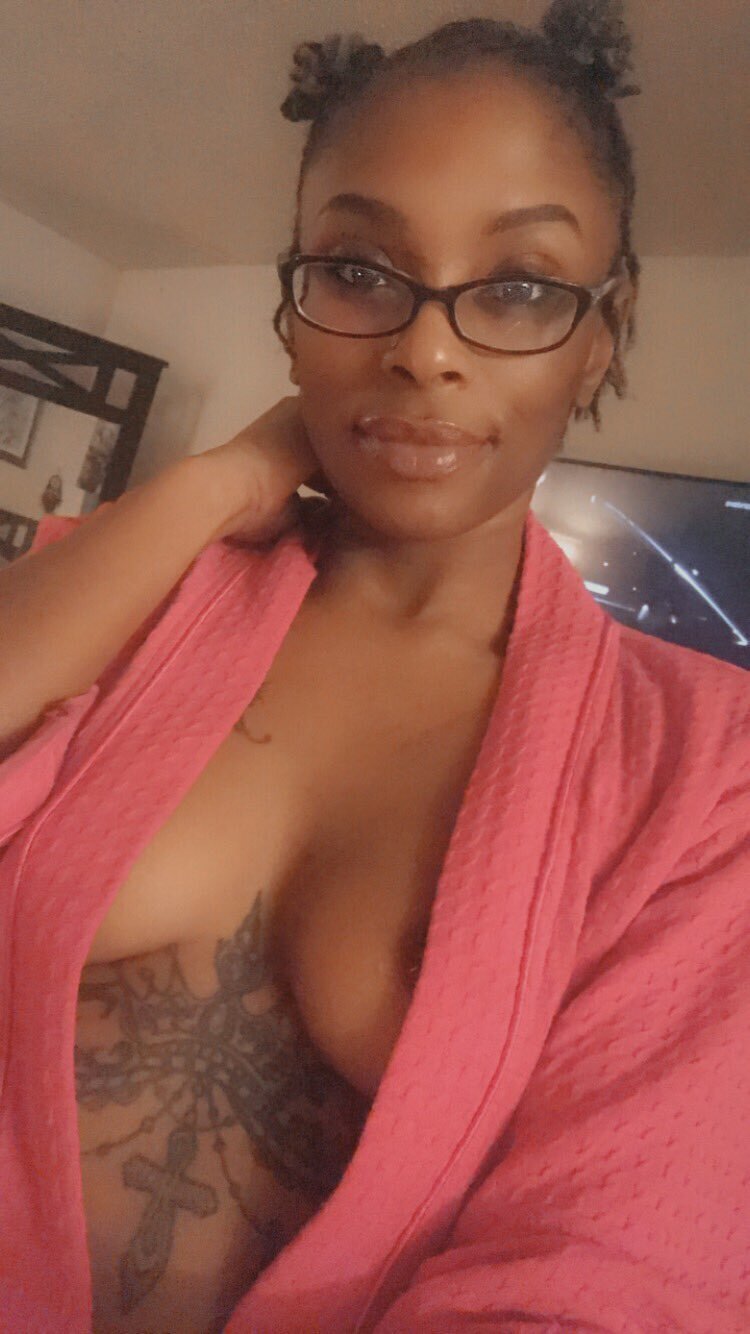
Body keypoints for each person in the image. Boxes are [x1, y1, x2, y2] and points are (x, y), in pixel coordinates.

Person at [0, 2, 748, 1331]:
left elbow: (603, 1278)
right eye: (357, 270)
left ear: (604, 332)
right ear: (291, 310)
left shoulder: (705, 774)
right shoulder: (124, 591)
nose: (425, 347)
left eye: (519, 287)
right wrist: (217, 482)